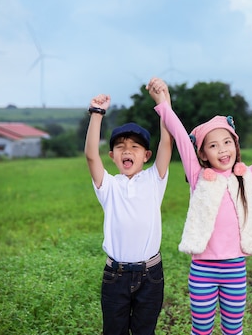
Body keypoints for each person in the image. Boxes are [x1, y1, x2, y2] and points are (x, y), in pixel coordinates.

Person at [147, 77, 252, 335]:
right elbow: (179, 135)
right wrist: (163, 102)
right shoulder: (198, 176)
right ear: (202, 154)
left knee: (233, 330)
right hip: (202, 269)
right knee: (200, 329)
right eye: (213, 146)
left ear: (235, 145)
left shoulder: (246, 175)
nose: (222, 150)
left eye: (227, 143)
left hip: (235, 269)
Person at [84, 79, 173, 335]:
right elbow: (91, 155)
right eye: (121, 147)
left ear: (146, 155)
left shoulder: (154, 179)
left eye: (135, 147)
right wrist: (97, 114)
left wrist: (163, 102)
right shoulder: (109, 186)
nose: (127, 151)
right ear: (112, 156)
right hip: (115, 276)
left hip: (151, 275)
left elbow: (166, 143)